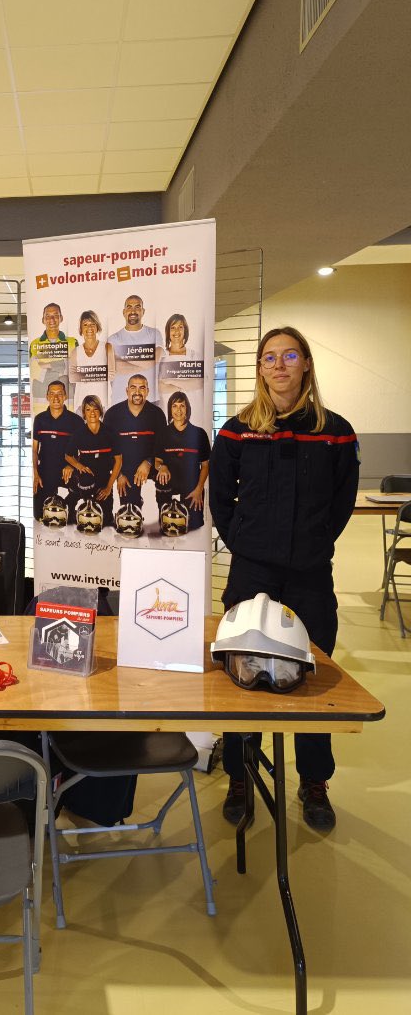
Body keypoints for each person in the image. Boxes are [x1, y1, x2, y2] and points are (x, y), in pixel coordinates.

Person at [209, 326, 359, 832]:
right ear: (259, 368)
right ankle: (239, 773)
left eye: (289, 355)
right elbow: (220, 505)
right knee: (240, 679)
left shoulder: (337, 432)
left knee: (315, 680)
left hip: (311, 576)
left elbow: (340, 506)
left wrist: (311, 543)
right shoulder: (234, 431)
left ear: (306, 365)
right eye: (269, 357)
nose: (279, 365)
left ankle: (314, 781)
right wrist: (249, 544)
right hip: (251, 574)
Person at [104, 374, 168, 514]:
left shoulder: (157, 414)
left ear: (147, 391)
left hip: (151, 463)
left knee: (166, 476)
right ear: (127, 391)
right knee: (130, 510)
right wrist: (119, 474)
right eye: (133, 387)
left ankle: (165, 512)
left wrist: (149, 462)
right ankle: (133, 504)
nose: (137, 392)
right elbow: (106, 449)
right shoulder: (112, 414)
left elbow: (163, 446)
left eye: (142, 388)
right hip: (124, 467)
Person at [62, 395, 122, 528]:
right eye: (88, 409)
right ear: (84, 413)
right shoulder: (79, 433)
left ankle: (93, 502)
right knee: (91, 511)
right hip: (85, 477)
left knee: (105, 520)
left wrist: (108, 488)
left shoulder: (110, 432)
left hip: (104, 478)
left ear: (100, 411)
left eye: (95, 409)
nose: (92, 413)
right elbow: (68, 455)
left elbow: (118, 461)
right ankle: (76, 501)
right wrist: (78, 466)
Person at [155, 392, 210, 532]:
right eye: (174, 406)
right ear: (170, 409)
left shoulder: (199, 434)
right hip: (169, 481)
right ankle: (164, 507)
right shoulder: (162, 433)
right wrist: (162, 467)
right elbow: (157, 461)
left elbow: (205, 465)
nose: (178, 410)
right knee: (168, 526)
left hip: (191, 485)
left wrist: (199, 490)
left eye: (182, 406)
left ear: (187, 409)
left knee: (193, 527)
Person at [32, 381, 84, 522]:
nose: (56, 398)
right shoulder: (39, 419)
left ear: (65, 396)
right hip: (46, 470)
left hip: (68, 471)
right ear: (47, 396)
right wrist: (36, 473)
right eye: (52, 394)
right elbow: (35, 450)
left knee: (85, 488)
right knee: (39, 515)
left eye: (59, 394)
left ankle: (68, 507)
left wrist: (72, 465)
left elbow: (84, 450)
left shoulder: (76, 421)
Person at [108, 295, 164, 403]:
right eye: (129, 307)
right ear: (124, 312)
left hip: (150, 400)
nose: (133, 311)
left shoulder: (154, 334)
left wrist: (122, 357)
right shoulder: (113, 339)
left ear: (143, 311)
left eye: (137, 307)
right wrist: (145, 361)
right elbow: (115, 369)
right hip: (120, 400)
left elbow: (155, 359)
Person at [29, 302, 76, 406]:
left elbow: (73, 369)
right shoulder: (35, 344)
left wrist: (47, 365)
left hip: (67, 395)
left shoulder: (72, 342)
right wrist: (61, 368)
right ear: (43, 320)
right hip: (40, 394)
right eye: (48, 316)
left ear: (61, 318)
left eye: (55, 315)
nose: (52, 320)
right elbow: (34, 371)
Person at [67, 310, 114, 409]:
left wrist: (83, 373)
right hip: (81, 403)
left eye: (92, 324)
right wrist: (100, 372)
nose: (89, 328)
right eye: (85, 325)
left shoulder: (107, 347)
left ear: (97, 327)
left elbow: (111, 375)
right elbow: (72, 377)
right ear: (81, 329)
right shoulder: (75, 351)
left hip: (103, 403)